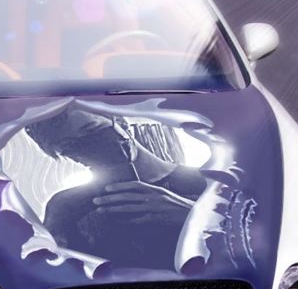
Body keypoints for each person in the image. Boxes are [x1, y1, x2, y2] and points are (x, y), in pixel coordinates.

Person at [25, 106, 206, 270]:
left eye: (92, 130)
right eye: (69, 145)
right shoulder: (66, 206)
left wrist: (193, 215)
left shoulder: (211, 183)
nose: (90, 145)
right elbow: (56, 274)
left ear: (119, 121)